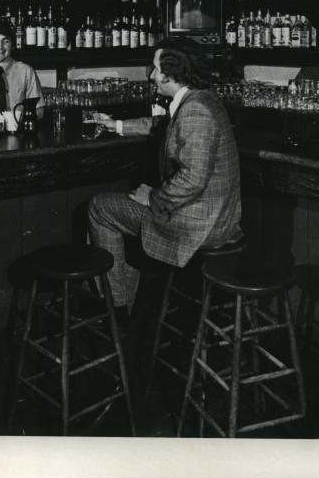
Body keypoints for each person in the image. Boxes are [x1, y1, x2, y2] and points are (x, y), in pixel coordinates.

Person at [88, 37, 242, 317]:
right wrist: (117, 125)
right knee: (125, 210)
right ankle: (125, 300)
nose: (151, 76)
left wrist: (153, 197)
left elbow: (193, 179)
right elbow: (165, 125)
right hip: (216, 216)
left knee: (101, 207)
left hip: (200, 225)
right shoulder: (201, 98)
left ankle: (117, 310)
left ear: (172, 74)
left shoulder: (196, 110)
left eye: (155, 69)